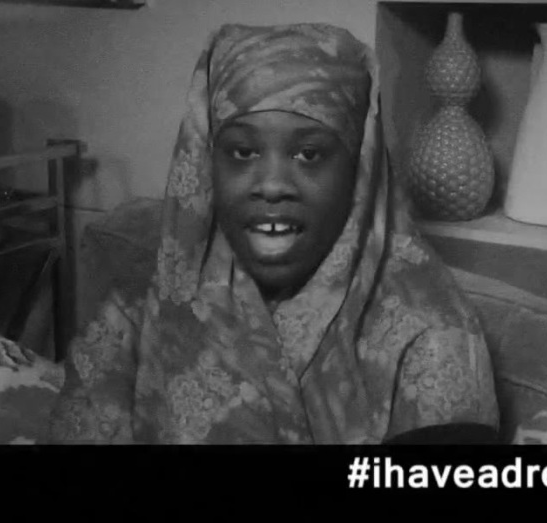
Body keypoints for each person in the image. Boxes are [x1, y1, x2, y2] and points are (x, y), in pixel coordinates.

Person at [48, 23, 501, 444]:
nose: (271, 185)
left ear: (359, 169)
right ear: (206, 161)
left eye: (309, 154)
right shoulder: (138, 305)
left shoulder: (432, 335)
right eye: (242, 152)